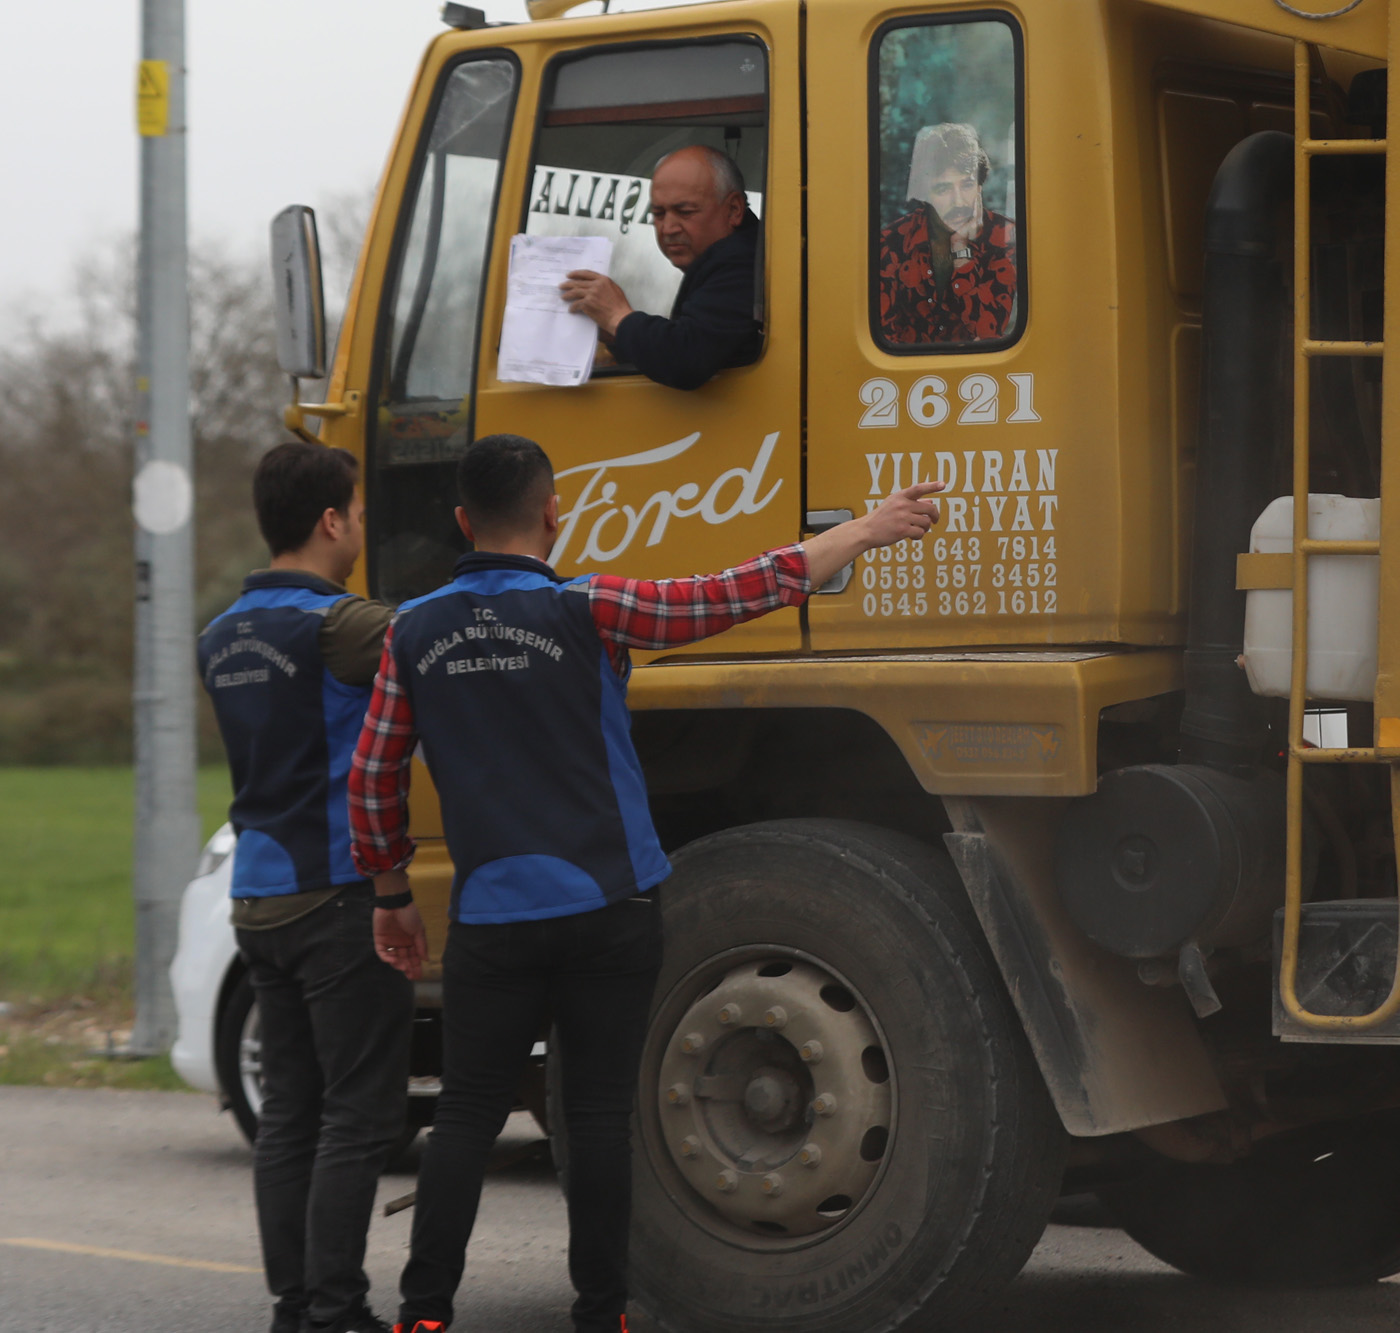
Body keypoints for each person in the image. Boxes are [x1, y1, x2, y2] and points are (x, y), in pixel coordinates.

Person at [348, 434, 941, 1333]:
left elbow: (372, 774)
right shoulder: (589, 607)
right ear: (553, 512)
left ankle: (425, 1313)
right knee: (593, 1115)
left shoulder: (412, 631)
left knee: (465, 1115)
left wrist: (391, 892)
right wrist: (867, 527)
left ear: (462, 520)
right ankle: (601, 1314)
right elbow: (734, 592)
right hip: (607, 907)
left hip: (490, 919)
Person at [197, 442, 410, 1333]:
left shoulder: (219, 635)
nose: (360, 526)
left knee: (289, 1114)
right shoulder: (342, 627)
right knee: (356, 1117)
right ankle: (339, 1309)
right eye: (357, 512)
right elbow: (437, 637)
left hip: (256, 897)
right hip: (335, 896)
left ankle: (297, 1308)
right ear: (331, 521)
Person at [557, 145, 761, 390]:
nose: (668, 228)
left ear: (734, 210)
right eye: (658, 214)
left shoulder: (743, 261)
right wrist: (616, 334)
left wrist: (617, 317)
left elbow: (687, 359)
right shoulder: (731, 256)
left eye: (684, 212)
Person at [874, 121, 1019, 346]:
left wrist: (961, 249)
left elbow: (989, 334)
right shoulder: (892, 241)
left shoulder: (1005, 236)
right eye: (943, 189)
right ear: (925, 192)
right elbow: (883, 338)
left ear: (980, 186)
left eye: (967, 185)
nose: (959, 201)